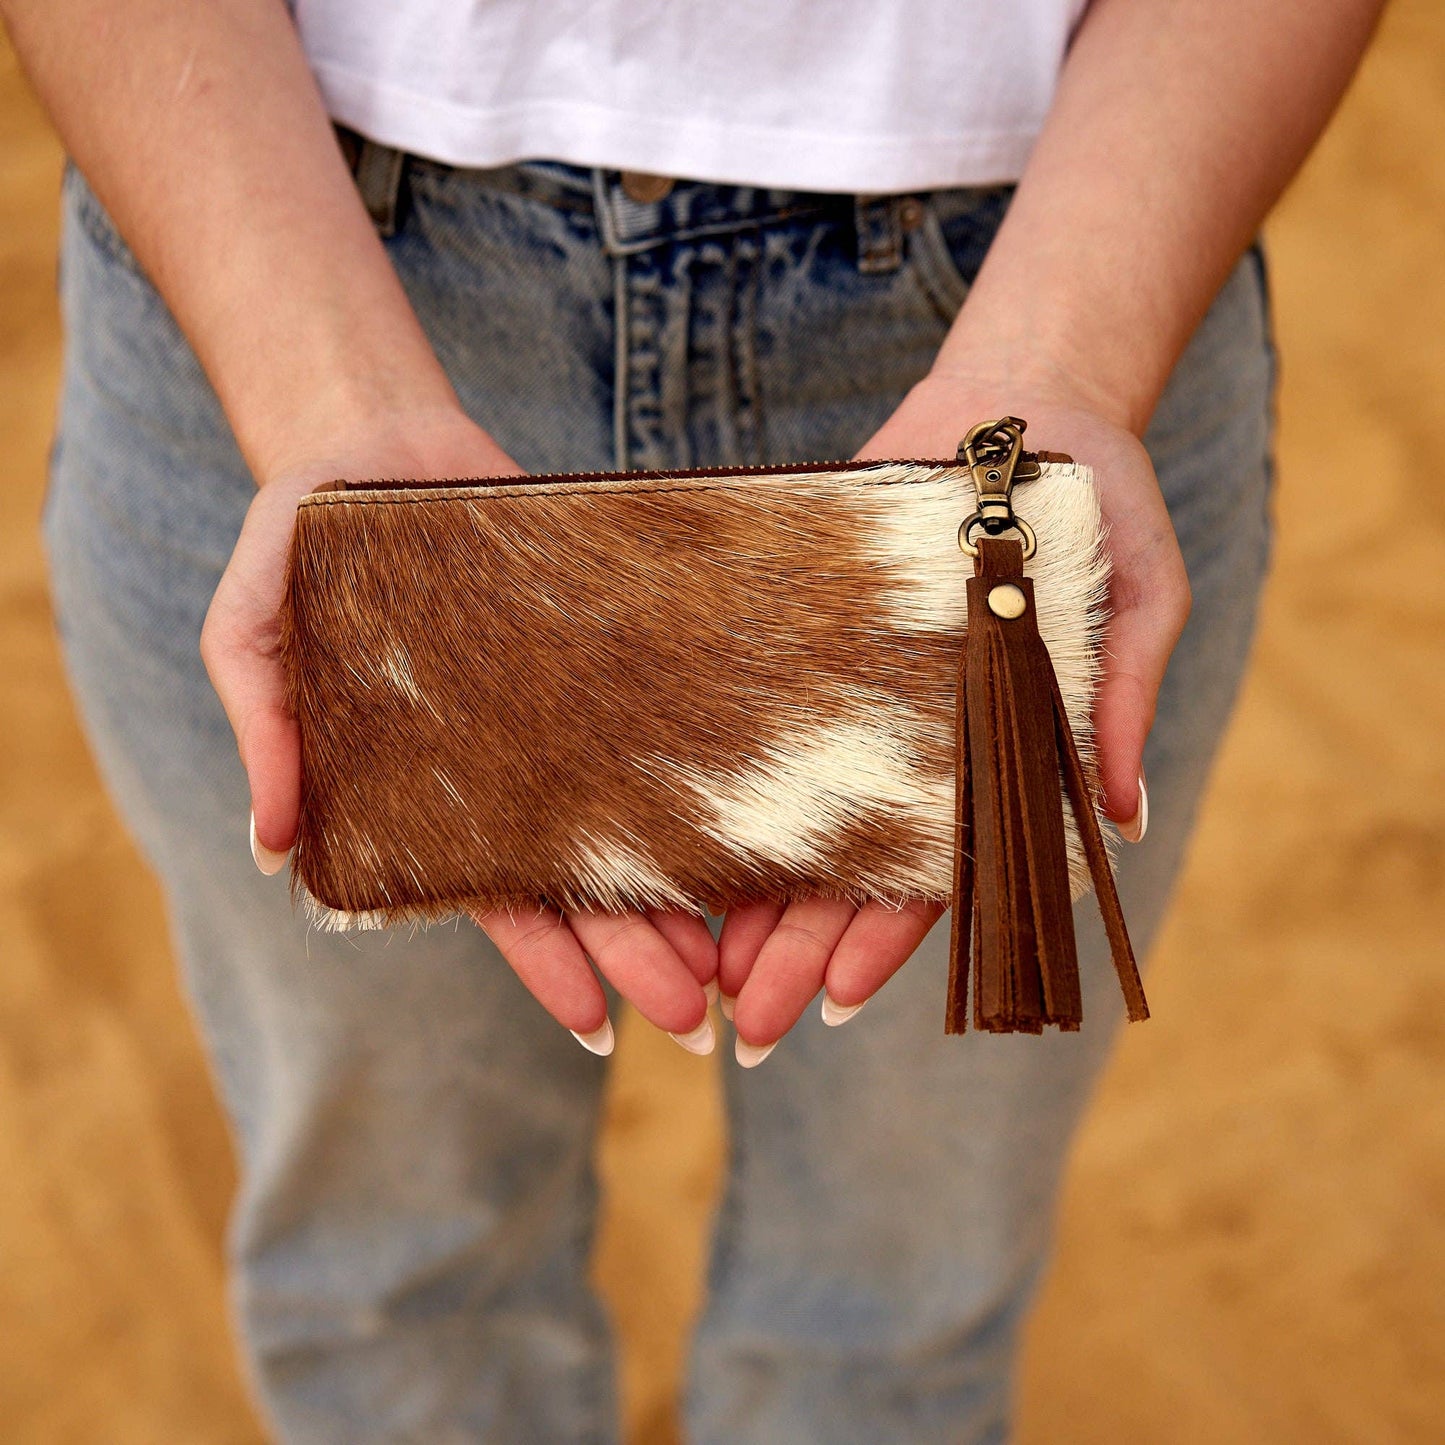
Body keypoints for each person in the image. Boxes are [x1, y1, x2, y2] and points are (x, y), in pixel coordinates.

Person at [4, 0, 1384, 1439]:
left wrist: (1068, 363)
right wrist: (314, 396)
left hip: (1071, 270)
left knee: (894, 1313)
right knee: (391, 1277)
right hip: (275, 256)